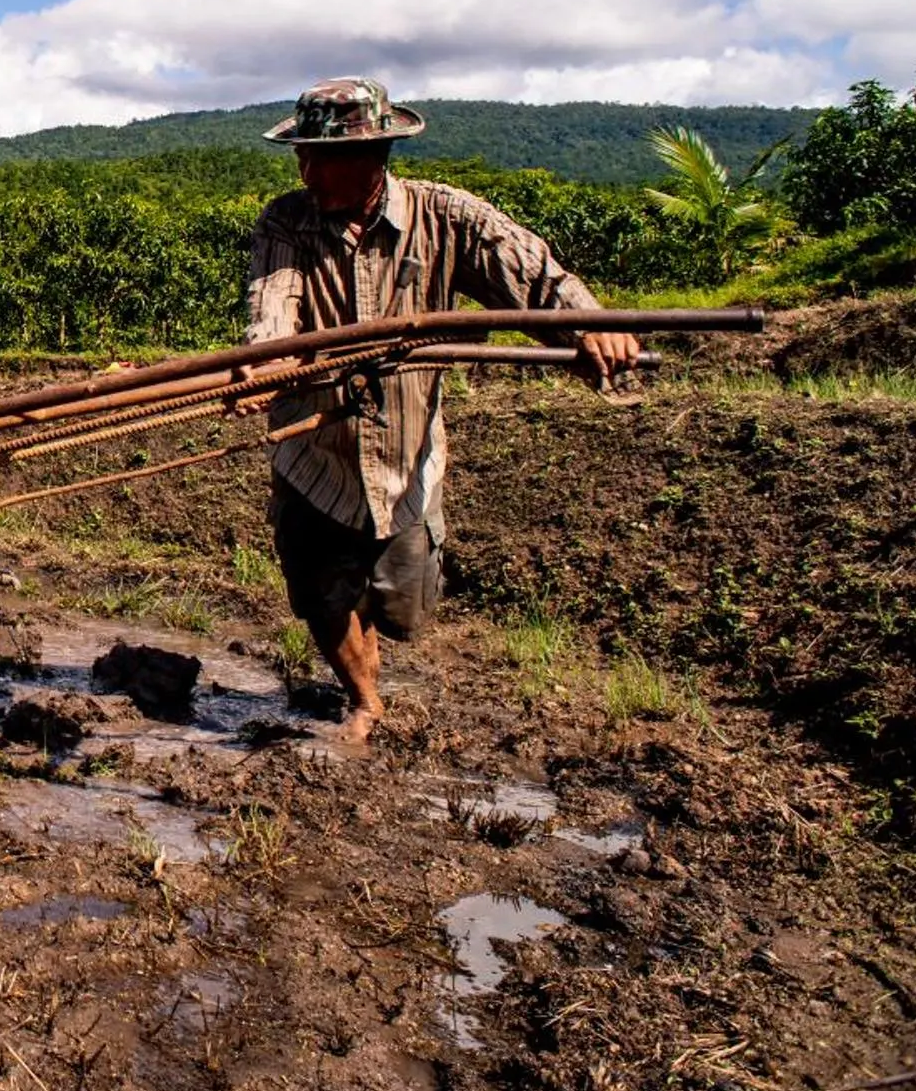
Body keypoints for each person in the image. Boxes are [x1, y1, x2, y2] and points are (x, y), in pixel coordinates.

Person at [244, 78, 639, 743]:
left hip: (407, 458)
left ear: (377, 155)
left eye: (322, 156)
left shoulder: (450, 218)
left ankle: (366, 628)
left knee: (403, 608)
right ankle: (364, 701)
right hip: (317, 451)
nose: (307, 170)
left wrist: (590, 326)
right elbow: (272, 310)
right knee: (320, 590)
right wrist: (271, 362)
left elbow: (537, 280)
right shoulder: (287, 221)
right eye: (302, 156)